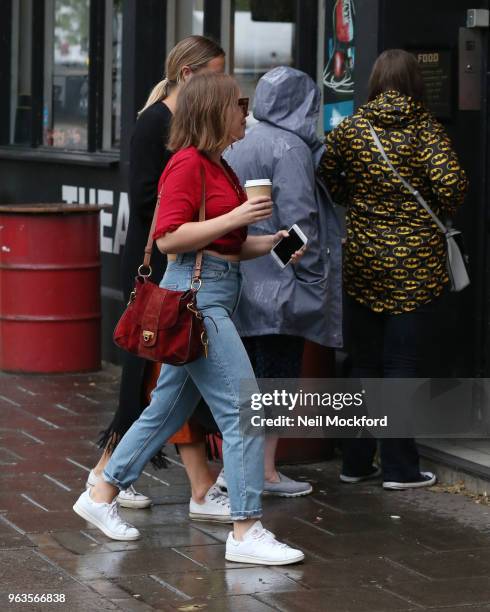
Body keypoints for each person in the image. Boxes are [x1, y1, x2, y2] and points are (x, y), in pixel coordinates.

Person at [74, 72, 305, 566]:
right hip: (196, 301)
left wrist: (274, 242)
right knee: (244, 411)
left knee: (165, 411)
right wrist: (237, 218)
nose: (245, 110)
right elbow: (168, 239)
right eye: (238, 102)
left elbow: (228, 247)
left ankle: (100, 494)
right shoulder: (187, 165)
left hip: (210, 294)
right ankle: (246, 530)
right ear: (213, 111)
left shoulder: (219, 166)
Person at [88, 36, 229, 516]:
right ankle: (107, 474)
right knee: (147, 374)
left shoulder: (179, 123)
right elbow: (151, 203)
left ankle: (197, 486)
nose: (223, 85)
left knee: (171, 374)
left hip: (181, 264)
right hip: (159, 266)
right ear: (188, 75)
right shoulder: (156, 125)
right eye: (215, 73)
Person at [318, 49, 468, 490]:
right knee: (401, 364)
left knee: (365, 362)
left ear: (376, 80)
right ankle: (401, 468)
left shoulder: (351, 129)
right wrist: (433, 208)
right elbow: (452, 184)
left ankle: (357, 461)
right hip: (414, 266)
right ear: (415, 83)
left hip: (363, 260)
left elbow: (330, 179)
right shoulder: (426, 130)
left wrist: (360, 201)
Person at [221, 66, 342, 496]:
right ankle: (265, 472)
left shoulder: (239, 142)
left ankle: (238, 468)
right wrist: (308, 277)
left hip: (238, 282)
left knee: (246, 378)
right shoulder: (290, 147)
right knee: (277, 380)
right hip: (280, 287)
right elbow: (300, 222)